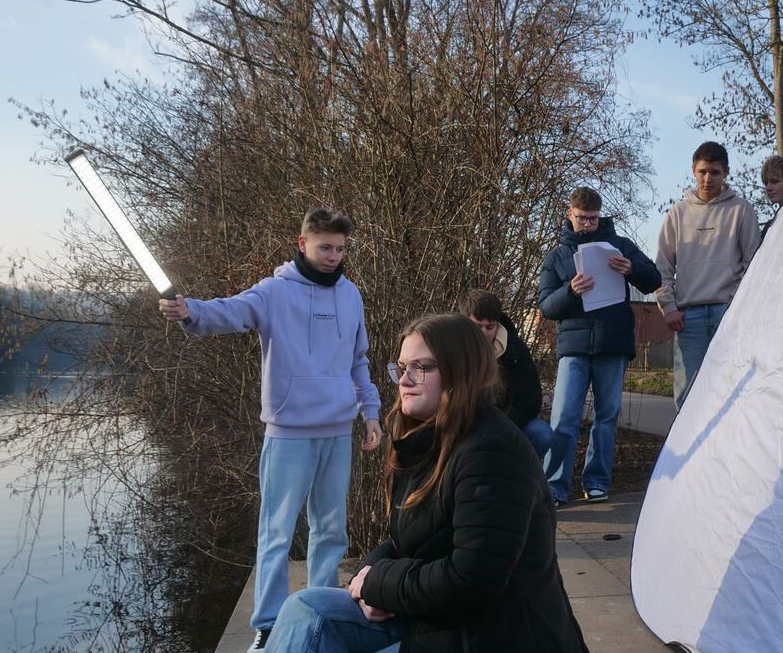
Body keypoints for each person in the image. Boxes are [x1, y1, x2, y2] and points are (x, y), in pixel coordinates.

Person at [264, 314, 589, 653]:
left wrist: (379, 584)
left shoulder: (492, 450)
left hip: (495, 635)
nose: (404, 380)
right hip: (446, 623)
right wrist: (368, 576)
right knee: (307, 611)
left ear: (461, 373)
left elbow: (472, 580)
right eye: (402, 367)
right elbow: (406, 540)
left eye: (422, 367)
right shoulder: (429, 440)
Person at [158, 208, 382, 652]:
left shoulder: (352, 295)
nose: (333, 256)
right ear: (302, 244)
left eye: (340, 249)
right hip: (289, 431)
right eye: (324, 247)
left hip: (338, 430)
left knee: (331, 530)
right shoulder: (274, 292)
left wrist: (370, 412)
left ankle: (321, 610)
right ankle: (268, 623)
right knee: (277, 531)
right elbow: (229, 311)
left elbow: (359, 360)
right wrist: (188, 312)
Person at [538, 186, 660, 504]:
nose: (588, 225)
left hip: (612, 341)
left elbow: (654, 278)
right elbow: (546, 307)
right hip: (573, 347)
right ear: (570, 214)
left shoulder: (618, 246)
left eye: (593, 219)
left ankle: (597, 482)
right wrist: (570, 291)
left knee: (607, 416)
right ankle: (554, 487)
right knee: (564, 417)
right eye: (582, 219)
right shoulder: (557, 257)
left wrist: (632, 269)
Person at [656, 141, 761, 410]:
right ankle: (685, 452)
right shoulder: (678, 213)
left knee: (731, 390)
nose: (707, 178)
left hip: (728, 314)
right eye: (702, 171)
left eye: (714, 172)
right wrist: (668, 307)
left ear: (726, 172)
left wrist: (737, 307)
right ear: (693, 171)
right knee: (688, 396)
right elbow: (663, 268)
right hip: (687, 317)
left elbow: (754, 264)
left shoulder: (741, 210)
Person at [457, 288, 552, 458]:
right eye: (477, 326)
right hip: (463, 424)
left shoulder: (515, 350)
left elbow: (530, 400)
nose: (484, 333)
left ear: (498, 324)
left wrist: (499, 426)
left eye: (489, 327)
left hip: (504, 420)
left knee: (541, 434)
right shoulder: (449, 349)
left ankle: (523, 479)